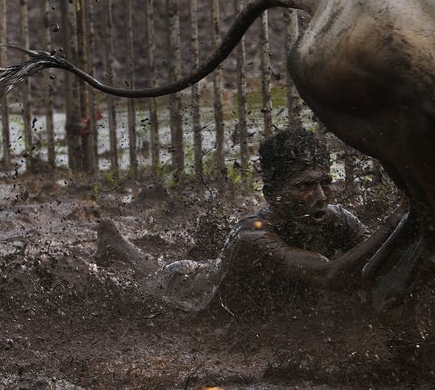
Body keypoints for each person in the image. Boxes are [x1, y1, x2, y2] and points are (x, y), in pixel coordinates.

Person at [94, 128, 405, 316]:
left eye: (325, 183)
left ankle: (118, 243)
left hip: (209, 273)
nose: (321, 196)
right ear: (272, 194)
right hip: (188, 295)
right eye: (305, 186)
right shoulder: (252, 236)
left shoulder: (335, 219)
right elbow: (327, 274)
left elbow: (380, 262)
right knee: (144, 287)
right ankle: (118, 245)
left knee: (183, 267)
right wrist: (395, 220)